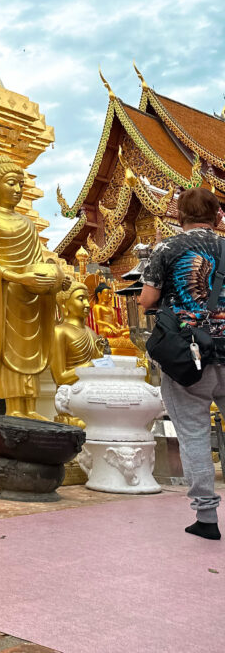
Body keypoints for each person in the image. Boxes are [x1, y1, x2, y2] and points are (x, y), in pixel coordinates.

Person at [140, 187, 225, 540]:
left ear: (179, 217)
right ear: (218, 216)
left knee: (192, 434)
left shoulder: (167, 249)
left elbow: (147, 300)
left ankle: (206, 518)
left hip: (189, 355)